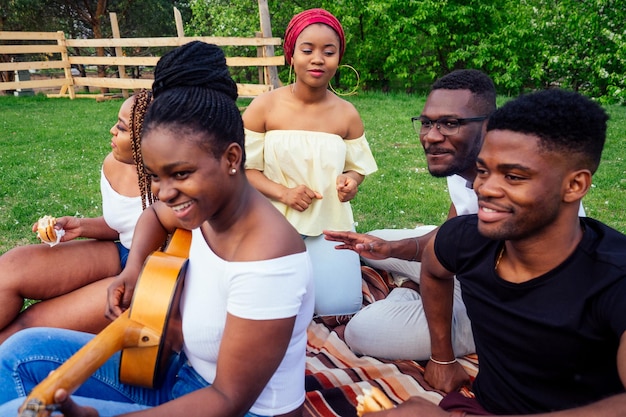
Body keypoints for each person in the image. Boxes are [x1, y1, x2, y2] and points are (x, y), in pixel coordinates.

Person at [0, 41, 314, 417]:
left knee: (18, 409)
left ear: (232, 158)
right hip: (183, 376)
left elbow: (228, 400)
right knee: (20, 352)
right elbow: (153, 216)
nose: (164, 193)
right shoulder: (206, 209)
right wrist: (133, 271)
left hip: (232, 408)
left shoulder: (268, 259)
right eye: (155, 177)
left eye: (180, 174)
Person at [376, 89, 626, 416]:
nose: (485, 189)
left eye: (513, 176)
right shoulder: (469, 239)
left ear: (574, 185)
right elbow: (434, 270)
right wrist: (442, 356)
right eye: (483, 171)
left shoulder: (613, 279)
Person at [324, 69, 497, 360]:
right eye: (427, 122)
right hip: (460, 269)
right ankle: (417, 287)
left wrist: (443, 358)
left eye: (450, 124)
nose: (431, 136)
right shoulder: (461, 166)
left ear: (490, 126)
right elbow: (450, 233)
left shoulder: (513, 185)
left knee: (362, 331)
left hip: (489, 303)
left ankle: (410, 293)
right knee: (372, 245)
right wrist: (389, 248)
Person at [242, 8, 378, 317]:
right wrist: (284, 193)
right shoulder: (263, 108)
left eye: (328, 52)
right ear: (291, 55)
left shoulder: (347, 114)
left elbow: (358, 166)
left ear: (338, 59)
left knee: (338, 308)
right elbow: (243, 171)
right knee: (269, 307)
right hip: (271, 222)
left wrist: (352, 182)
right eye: (308, 50)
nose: (318, 59)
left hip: (330, 223)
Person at [0, 89, 153, 344]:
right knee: (9, 270)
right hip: (124, 253)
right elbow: (126, 226)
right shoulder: (113, 164)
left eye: (122, 128)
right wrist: (79, 226)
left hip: (155, 274)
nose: (112, 131)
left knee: (24, 330)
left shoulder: (176, 182)